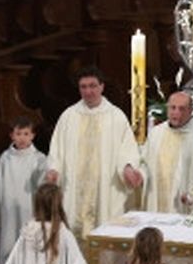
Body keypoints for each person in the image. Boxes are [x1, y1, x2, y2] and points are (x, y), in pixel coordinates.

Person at [45, 67, 142, 237]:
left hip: (105, 189)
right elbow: (56, 149)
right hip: (74, 189)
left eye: (92, 86)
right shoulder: (68, 116)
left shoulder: (116, 116)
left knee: (103, 236)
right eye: (83, 87)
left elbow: (127, 149)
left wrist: (127, 168)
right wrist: (54, 169)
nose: (88, 91)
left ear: (102, 87)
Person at [0, 116, 48, 264]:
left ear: (33, 135)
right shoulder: (5, 159)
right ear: (12, 135)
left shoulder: (39, 159)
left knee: (31, 246)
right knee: (9, 245)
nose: (22, 138)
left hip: (30, 210)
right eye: (18, 134)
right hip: (9, 212)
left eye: (26, 134)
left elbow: (44, 185)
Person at [140, 90, 193, 213]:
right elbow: (145, 163)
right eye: (173, 108)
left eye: (182, 109)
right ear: (167, 109)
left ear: (191, 111)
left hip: (184, 206)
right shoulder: (156, 133)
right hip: (156, 205)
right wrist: (140, 175)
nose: (176, 113)